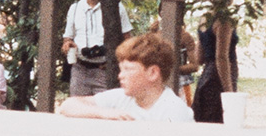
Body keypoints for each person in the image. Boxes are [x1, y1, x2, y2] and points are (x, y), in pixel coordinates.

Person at [60, 33, 195, 122]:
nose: (120, 76)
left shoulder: (174, 112)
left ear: (153, 73)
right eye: (121, 69)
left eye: (128, 70)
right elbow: (68, 105)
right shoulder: (121, 97)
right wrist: (104, 113)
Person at [62, 0, 133, 96]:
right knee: (78, 111)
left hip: (104, 70)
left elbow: (128, 39)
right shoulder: (75, 8)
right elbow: (67, 38)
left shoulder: (116, 8)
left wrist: (114, 61)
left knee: (105, 111)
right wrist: (68, 45)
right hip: (80, 70)